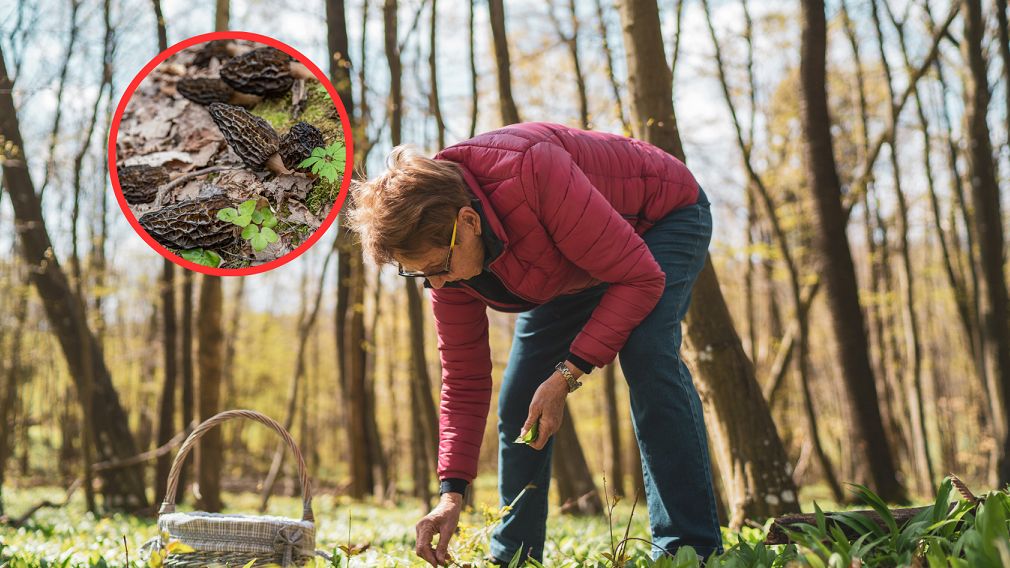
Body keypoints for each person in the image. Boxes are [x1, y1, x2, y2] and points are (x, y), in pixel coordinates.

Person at [348, 122, 722, 565]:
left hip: (662, 217)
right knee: (521, 398)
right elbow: (464, 380)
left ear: (467, 222)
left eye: (438, 266)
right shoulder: (445, 260)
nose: (437, 282)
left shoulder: (530, 171)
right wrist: (452, 492)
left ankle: (690, 550)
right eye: (419, 274)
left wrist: (567, 375)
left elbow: (640, 277)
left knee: (646, 354)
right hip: (572, 261)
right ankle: (514, 556)